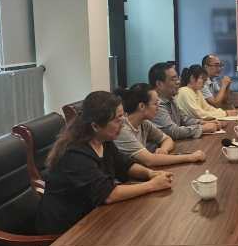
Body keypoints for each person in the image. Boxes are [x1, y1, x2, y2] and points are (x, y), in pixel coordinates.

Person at [36, 91, 174, 235]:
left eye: (123, 118)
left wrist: (150, 174)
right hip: (67, 231)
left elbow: (125, 166)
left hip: (95, 217)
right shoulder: (76, 154)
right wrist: (152, 185)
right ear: (95, 126)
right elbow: (108, 194)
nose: (123, 125)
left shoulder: (104, 141)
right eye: (118, 120)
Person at [114, 83, 206, 166]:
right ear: (142, 106)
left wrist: (163, 150)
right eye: (155, 103)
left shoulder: (144, 123)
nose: (158, 107)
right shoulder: (122, 128)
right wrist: (190, 157)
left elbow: (167, 139)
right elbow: (149, 160)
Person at [148, 62, 221, 139]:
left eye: (177, 78)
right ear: (159, 84)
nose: (178, 82)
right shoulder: (156, 104)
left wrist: (203, 123)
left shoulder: (171, 99)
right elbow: (173, 132)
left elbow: (183, 120)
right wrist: (202, 128)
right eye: (173, 79)